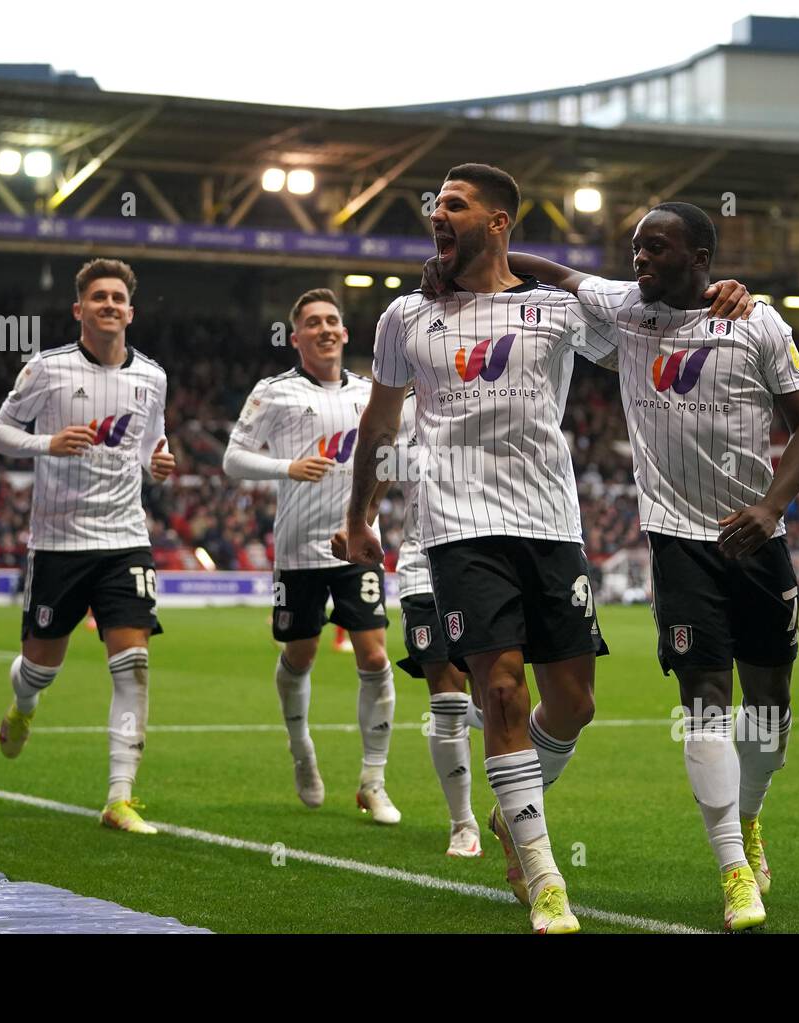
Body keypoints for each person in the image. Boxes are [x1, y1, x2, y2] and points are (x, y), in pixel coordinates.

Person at [348, 165, 753, 933]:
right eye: (435, 205)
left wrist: (724, 292)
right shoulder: (404, 316)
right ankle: (543, 875)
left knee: (574, 703)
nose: (439, 214)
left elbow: (660, 313)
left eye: (456, 205)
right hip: (458, 527)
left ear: (500, 222)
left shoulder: (558, 310)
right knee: (501, 692)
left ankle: (511, 813)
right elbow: (378, 424)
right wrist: (361, 511)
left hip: (550, 524)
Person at [461, 201, 799, 931]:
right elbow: (557, 273)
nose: (639, 261)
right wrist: (473, 267)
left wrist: (772, 507)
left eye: (656, 249)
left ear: (701, 257)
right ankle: (733, 870)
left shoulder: (758, 323)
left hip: (756, 537)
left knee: (771, 713)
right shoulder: (626, 308)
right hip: (680, 541)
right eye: (634, 249)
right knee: (706, 702)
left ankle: (749, 818)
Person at [0, 257, 174, 835]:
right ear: (79, 309)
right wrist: (47, 443)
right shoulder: (45, 369)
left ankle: (119, 797)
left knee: (133, 664)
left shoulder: (152, 376)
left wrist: (158, 462)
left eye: (119, 298)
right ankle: (22, 706)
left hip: (124, 539)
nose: (110, 305)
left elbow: (148, 444)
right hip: (58, 542)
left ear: (131, 311)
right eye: (100, 297)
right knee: (41, 669)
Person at [223, 288, 400, 825]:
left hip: (356, 546)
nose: (324, 329)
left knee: (373, 657)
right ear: (295, 336)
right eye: (312, 323)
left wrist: (369, 517)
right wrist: (286, 468)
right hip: (299, 550)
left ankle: (374, 779)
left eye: (332, 321)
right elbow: (234, 459)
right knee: (301, 656)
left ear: (345, 334)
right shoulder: (273, 392)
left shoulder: (372, 394)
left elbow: (391, 458)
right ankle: (302, 750)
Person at [332, 390, 486, 856]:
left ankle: (510, 788)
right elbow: (380, 480)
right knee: (447, 697)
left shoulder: (495, 389)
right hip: (425, 567)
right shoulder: (405, 411)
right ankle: (463, 823)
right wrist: (359, 524)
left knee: (497, 693)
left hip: (490, 561)